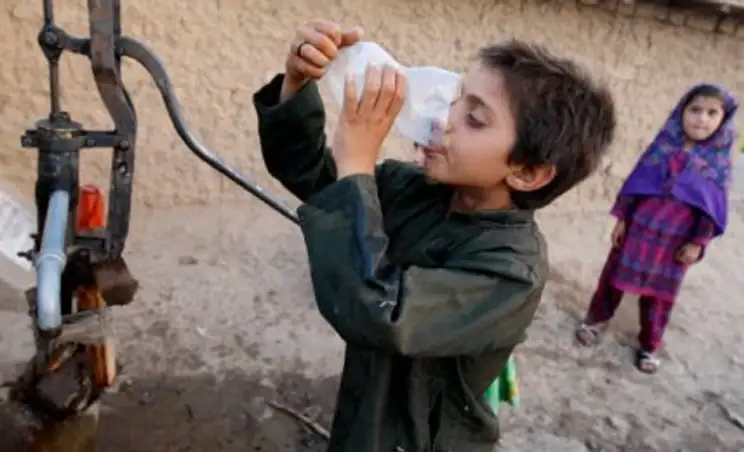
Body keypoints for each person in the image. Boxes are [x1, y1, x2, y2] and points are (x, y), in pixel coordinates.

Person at [252, 19, 616, 451]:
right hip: (369, 412)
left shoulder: (511, 271)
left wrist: (357, 164)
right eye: (456, 99)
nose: (443, 118)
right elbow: (316, 178)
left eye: (474, 119)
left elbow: (380, 313)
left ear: (528, 172)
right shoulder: (416, 189)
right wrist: (297, 85)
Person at [575, 84, 738, 374]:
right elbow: (638, 183)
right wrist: (623, 219)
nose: (701, 118)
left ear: (723, 120)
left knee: (660, 296)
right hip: (639, 230)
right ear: (681, 111)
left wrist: (698, 242)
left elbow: (711, 208)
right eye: (695, 109)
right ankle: (596, 321)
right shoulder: (664, 146)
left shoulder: (718, 163)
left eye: (712, 113)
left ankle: (650, 344)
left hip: (675, 243)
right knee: (613, 279)